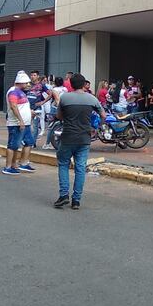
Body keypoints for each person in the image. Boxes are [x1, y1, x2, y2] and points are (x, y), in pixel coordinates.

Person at [53, 73, 106, 210]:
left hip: (68, 137)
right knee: (80, 168)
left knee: (63, 164)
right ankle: (76, 200)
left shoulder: (65, 98)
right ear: (84, 85)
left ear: (71, 84)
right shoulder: (91, 99)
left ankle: (64, 195)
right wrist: (97, 127)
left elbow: (59, 116)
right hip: (84, 138)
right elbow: (103, 115)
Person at [2, 71, 36, 175]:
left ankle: (23, 163)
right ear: (20, 82)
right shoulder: (13, 92)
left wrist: (29, 113)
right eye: (26, 83)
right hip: (16, 124)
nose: (28, 85)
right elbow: (13, 106)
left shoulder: (20, 92)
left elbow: (21, 106)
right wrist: (21, 121)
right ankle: (8, 167)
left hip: (25, 123)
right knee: (13, 145)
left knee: (29, 142)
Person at [42, 76, 67, 150]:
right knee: (63, 124)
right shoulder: (65, 89)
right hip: (64, 108)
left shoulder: (54, 89)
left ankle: (47, 144)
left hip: (55, 109)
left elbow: (56, 99)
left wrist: (43, 102)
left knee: (51, 127)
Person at [27, 71, 49, 144]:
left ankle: (32, 143)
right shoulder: (28, 84)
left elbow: (50, 93)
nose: (32, 76)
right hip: (27, 108)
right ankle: (27, 140)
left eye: (34, 75)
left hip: (37, 108)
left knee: (35, 126)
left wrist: (43, 102)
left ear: (38, 76)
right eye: (31, 75)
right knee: (27, 125)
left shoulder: (41, 85)